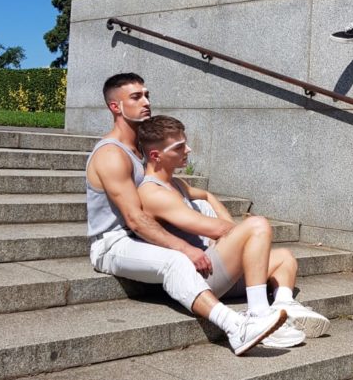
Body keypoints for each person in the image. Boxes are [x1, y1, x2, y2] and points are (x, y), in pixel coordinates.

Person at [86, 73, 289, 355]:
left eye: (147, 95)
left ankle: (273, 310)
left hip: (140, 238)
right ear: (115, 107)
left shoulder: (139, 152)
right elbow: (134, 218)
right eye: (136, 97)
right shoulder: (112, 154)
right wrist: (184, 247)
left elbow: (184, 191)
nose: (146, 102)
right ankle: (235, 327)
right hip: (113, 242)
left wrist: (205, 197)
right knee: (175, 261)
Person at [136, 114, 331, 342]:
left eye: (185, 143)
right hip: (200, 276)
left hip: (216, 269)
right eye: (179, 147)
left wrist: (216, 206)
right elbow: (219, 230)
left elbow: (206, 195)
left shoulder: (176, 183)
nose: (188, 149)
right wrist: (238, 235)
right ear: (155, 155)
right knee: (257, 225)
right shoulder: (154, 193)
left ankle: (285, 305)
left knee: (285, 257)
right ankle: (258, 314)